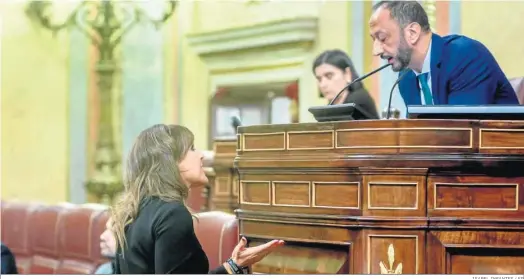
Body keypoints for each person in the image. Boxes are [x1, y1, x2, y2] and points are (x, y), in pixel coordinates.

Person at [111, 124, 284, 274]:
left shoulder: (135, 211)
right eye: (192, 148)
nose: (201, 155)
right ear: (172, 162)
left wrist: (234, 265)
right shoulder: (172, 214)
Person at [369, 1, 518, 106]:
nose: (376, 51)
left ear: (412, 33)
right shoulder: (405, 79)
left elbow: (462, 135)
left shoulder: (464, 56)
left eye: (382, 38)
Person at [313, 49, 380, 119]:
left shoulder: (357, 100)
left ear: (347, 74)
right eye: (319, 79)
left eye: (329, 76)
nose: (322, 85)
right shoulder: (331, 104)